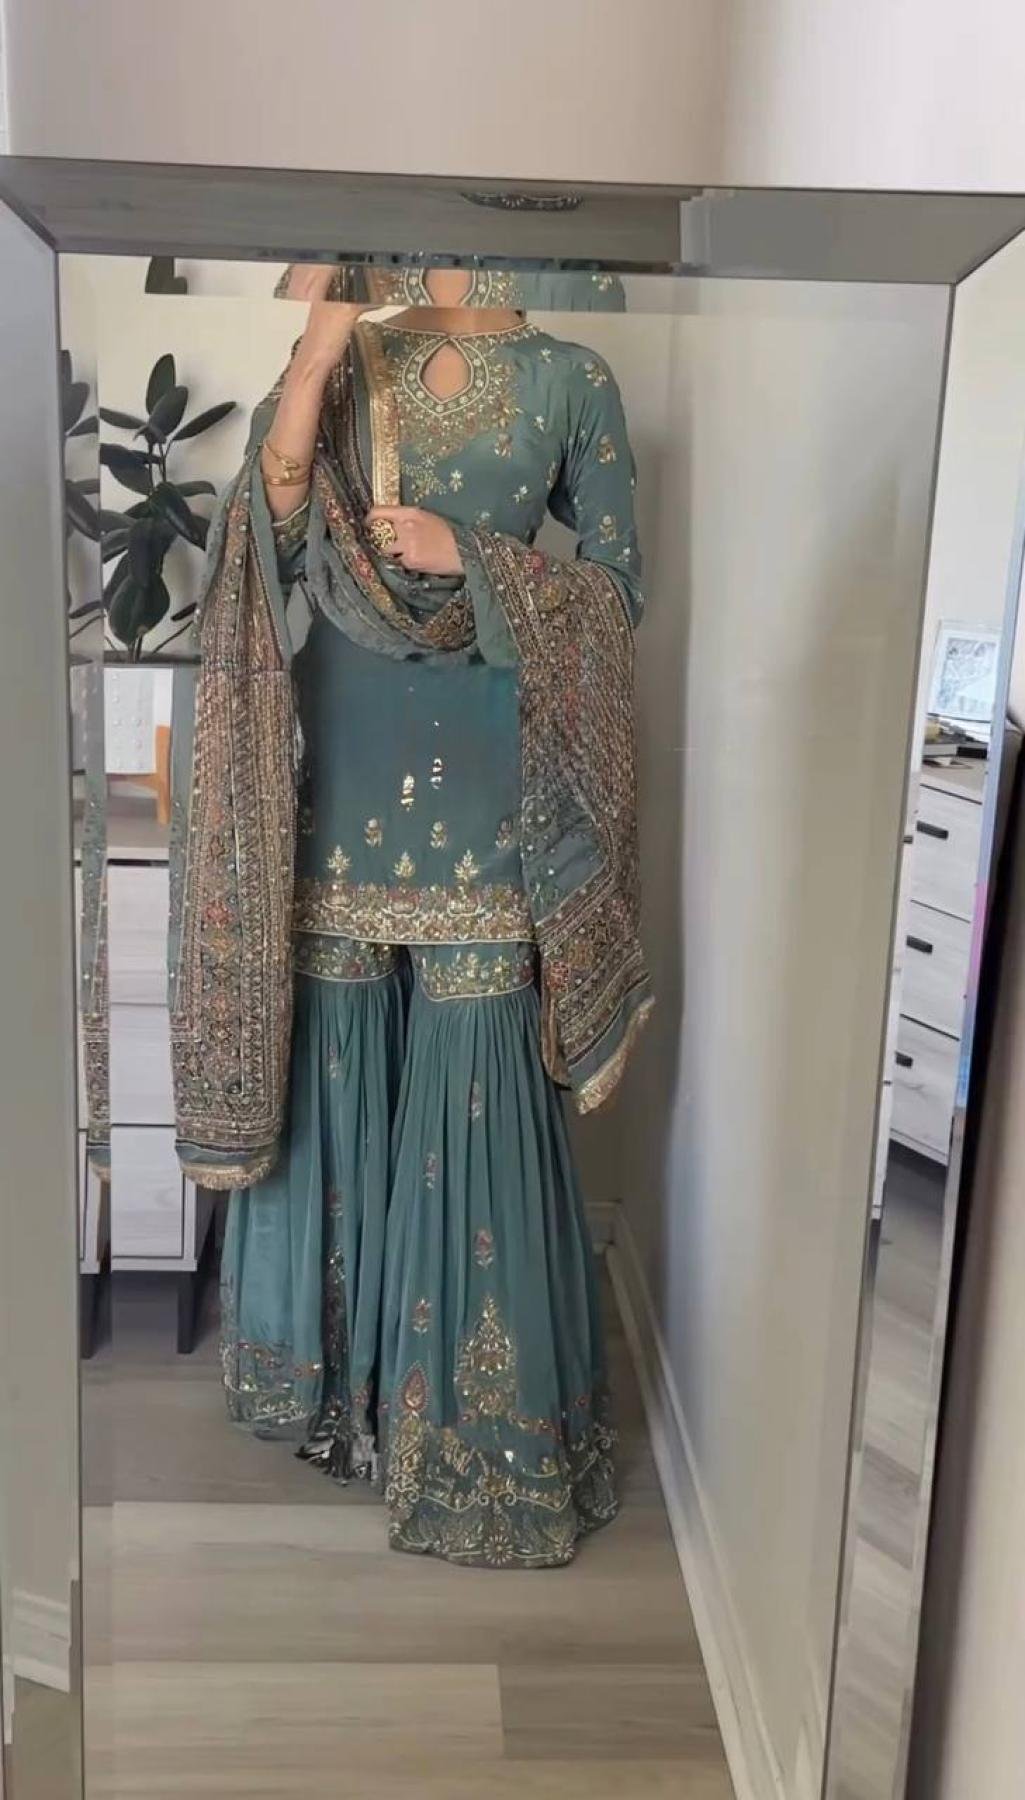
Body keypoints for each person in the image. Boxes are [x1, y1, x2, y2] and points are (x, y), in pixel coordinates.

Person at [169, 264, 652, 1567]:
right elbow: (268, 536)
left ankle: (472, 1435)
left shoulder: (570, 380)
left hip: (489, 785)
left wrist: (472, 559)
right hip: (343, 775)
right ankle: (342, 1398)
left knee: (473, 1082)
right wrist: (322, 343)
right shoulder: (348, 368)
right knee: (338, 1075)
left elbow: (616, 595)